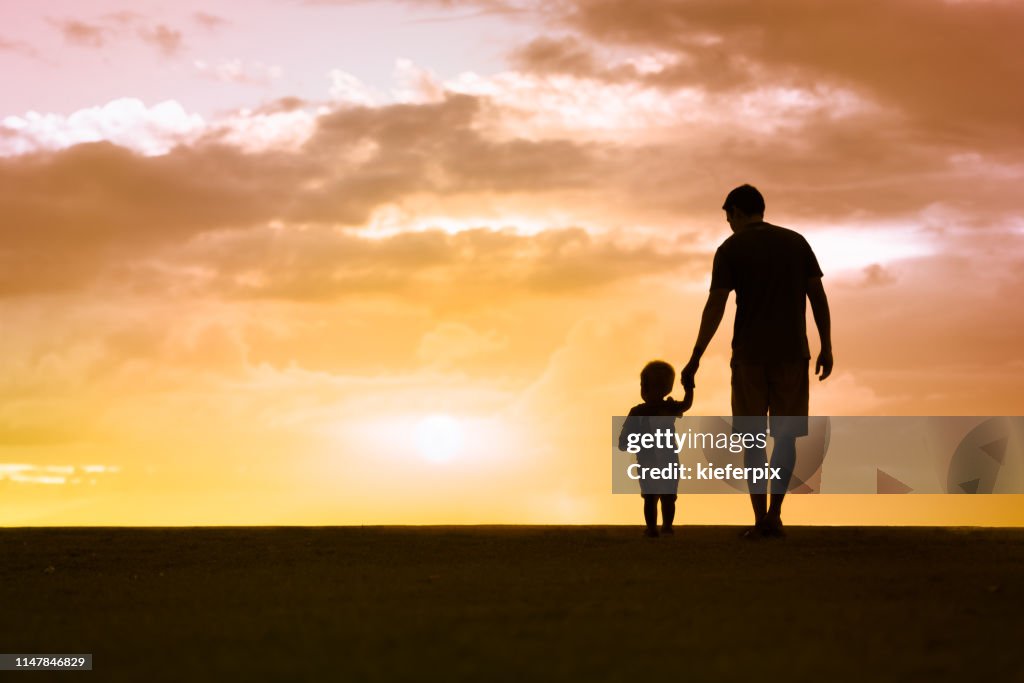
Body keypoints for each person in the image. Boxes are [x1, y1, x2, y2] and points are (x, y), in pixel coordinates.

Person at [680, 184, 833, 538]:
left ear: (735, 211)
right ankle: (775, 515)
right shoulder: (797, 243)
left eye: (727, 216)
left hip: (749, 356)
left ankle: (760, 516)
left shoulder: (731, 249)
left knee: (751, 441)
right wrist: (826, 345)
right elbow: (818, 297)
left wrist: (696, 356)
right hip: (793, 354)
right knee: (786, 439)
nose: (728, 223)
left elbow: (715, 305)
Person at [618, 360, 694, 538]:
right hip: (658, 462)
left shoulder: (644, 411)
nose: (643, 389)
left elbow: (624, 440)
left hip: (657, 463)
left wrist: (690, 387)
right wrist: (690, 387)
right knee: (658, 497)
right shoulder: (662, 408)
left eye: (646, 385)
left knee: (658, 497)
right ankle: (659, 527)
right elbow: (686, 405)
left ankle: (659, 527)